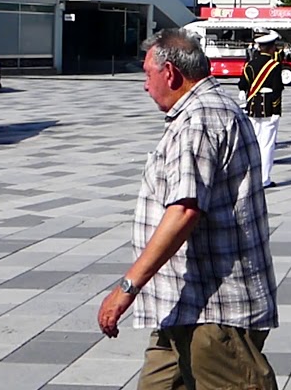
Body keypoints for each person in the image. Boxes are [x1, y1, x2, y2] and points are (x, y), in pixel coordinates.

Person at [97, 30, 278, 389]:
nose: (145, 86)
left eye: (148, 74)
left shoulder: (200, 118)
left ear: (170, 74)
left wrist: (127, 288)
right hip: (182, 302)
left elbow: (184, 211)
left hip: (213, 309)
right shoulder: (201, 111)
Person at [239, 30, 285, 189]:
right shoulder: (274, 65)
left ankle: (252, 176)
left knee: (255, 143)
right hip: (268, 107)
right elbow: (277, 89)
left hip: (253, 106)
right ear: (271, 48)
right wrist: (276, 110)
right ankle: (264, 178)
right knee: (267, 145)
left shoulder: (249, 64)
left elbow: (243, 85)